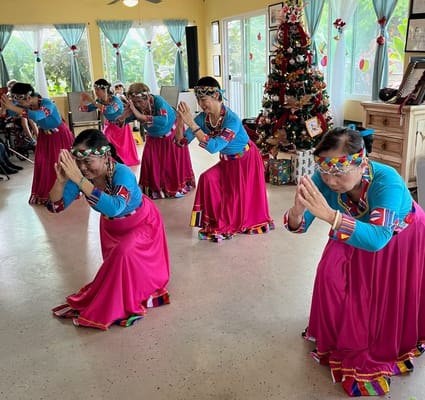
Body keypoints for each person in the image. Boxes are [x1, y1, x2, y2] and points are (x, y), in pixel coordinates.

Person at [283, 127, 425, 396]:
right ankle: (336, 330)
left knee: (374, 293)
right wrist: (297, 211)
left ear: (362, 162)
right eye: (324, 170)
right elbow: (298, 228)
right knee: (329, 272)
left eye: (337, 171)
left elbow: (376, 240)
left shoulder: (387, 181)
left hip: (400, 236)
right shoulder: (325, 178)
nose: (329, 179)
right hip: (353, 227)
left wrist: (330, 215)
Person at [47, 128, 170, 330]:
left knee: (124, 253)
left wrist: (79, 180)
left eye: (88, 161)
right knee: (120, 265)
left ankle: (130, 295)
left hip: (142, 223)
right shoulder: (82, 177)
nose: (83, 168)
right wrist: (60, 182)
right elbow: (55, 207)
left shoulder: (123, 173)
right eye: (78, 162)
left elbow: (115, 206)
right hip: (112, 228)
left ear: (105, 155)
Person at [175, 76, 274, 242]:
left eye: (204, 99)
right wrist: (180, 121)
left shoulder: (232, 120)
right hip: (227, 161)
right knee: (207, 178)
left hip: (245, 161)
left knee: (236, 199)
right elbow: (181, 143)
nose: (201, 103)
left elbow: (214, 147)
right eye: (198, 99)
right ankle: (213, 219)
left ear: (216, 96)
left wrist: (192, 124)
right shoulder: (203, 119)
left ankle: (231, 220)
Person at [0, 82, 74, 204]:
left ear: (28, 98)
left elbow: (38, 115)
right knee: (43, 163)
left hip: (59, 135)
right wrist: (4, 107)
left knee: (58, 163)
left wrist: (12, 107)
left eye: (20, 102)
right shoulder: (27, 105)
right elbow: (8, 113)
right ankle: (47, 193)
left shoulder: (47, 103)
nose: (19, 105)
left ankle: (64, 192)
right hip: (44, 136)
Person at [120, 82, 195, 199]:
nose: (138, 105)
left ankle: (174, 187)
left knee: (170, 164)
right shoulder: (136, 107)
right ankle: (155, 189)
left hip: (171, 135)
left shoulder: (158, 101)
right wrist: (124, 115)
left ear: (147, 97)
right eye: (135, 103)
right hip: (153, 137)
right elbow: (119, 123)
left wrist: (139, 115)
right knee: (150, 161)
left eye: (140, 102)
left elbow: (162, 121)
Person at [79, 78, 140, 167]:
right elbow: (84, 109)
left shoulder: (116, 100)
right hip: (110, 126)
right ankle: (109, 160)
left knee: (123, 152)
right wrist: (82, 100)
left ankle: (120, 163)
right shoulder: (99, 101)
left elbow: (109, 110)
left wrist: (92, 100)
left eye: (97, 90)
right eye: (95, 89)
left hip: (121, 127)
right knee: (105, 139)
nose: (95, 92)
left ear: (105, 90)